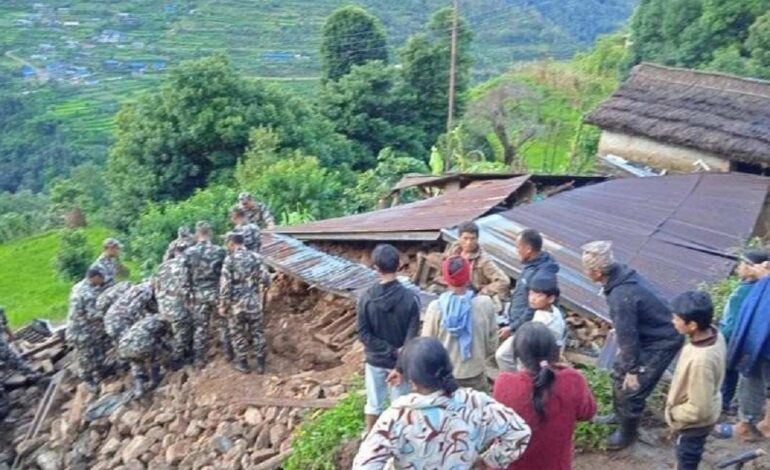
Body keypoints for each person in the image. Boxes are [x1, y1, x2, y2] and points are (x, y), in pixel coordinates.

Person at [353, 337, 531, 469]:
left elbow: (364, 465)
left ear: (412, 380)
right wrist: (487, 461)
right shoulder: (475, 402)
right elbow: (520, 432)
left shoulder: (397, 416)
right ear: (448, 365)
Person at [582, 240, 683, 450]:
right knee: (618, 373)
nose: (585, 272)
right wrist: (627, 363)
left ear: (598, 272)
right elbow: (627, 332)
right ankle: (619, 415)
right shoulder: (621, 276)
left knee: (633, 388)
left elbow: (628, 335)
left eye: (587, 269)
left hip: (661, 339)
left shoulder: (621, 294)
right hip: (647, 334)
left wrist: (634, 369)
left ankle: (627, 433)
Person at [493, 322, 596, 470]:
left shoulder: (504, 383)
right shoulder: (573, 379)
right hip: (554, 464)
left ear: (517, 354)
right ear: (555, 351)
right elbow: (587, 413)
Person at [357, 244, 420, 433]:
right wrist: (398, 359)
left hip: (375, 360)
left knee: (374, 404)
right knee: (402, 407)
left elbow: (363, 333)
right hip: (399, 364)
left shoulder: (366, 298)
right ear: (399, 265)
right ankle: (403, 446)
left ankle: (370, 441)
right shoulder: (410, 299)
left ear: (376, 268)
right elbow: (411, 336)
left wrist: (385, 349)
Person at [667, 291, 726, 470]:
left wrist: (674, 413)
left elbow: (699, 409)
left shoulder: (701, 361)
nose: (673, 321)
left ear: (692, 325)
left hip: (693, 425)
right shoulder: (714, 335)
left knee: (687, 458)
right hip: (704, 412)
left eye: (676, 318)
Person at [422, 256, 498, 392]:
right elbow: (492, 342)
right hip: (475, 372)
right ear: (468, 276)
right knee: (477, 410)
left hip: (445, 376)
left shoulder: (436, 307)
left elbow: (427, 345)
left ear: (445, 278)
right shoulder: (485, 304)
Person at [719, 250, 770, 440]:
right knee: (754, 379)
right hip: (759, 342)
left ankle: (754, 425)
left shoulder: (763, 283)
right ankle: (754, 423)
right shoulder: (756, 284)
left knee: (756, 379)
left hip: (764, 343)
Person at [497, 228, 559, 372]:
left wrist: (513, 327)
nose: (516, 250)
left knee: (506, 356)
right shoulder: (531, 266)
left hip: (528, 326)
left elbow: (533, 308)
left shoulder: (541, 275)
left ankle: (519, 385)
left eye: (518, 247)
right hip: (519, 321)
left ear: (528, 249)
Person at [496, 271, 566, 370]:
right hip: (537, 348)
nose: (532, 298)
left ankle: (515, 380)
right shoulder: (551, 310)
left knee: (503, 355)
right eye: (531, 293)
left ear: (551, 298)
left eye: (539, 295)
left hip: (536, 351)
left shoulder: (546, 321)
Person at [218, 232, 265, 374]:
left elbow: (225, 285)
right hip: (253, 302)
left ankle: (243, 364)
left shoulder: (229, 260)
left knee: (237, 333)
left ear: (232, 243)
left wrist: (223, 305)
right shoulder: (256, 257)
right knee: (257, 332)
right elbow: (266, 278)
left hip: (236, 305)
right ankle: (261, 364)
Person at [184, 221, 228, 368]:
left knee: (200, 327)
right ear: (210, 233)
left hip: (198, 294)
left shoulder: (189, 253)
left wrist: (187, 295)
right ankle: (228, 353)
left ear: (197, 234)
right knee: (223, 323)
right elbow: (225, 274)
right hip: (216, 292)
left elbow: (185, 277)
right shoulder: (220, 251)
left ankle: (199, 359)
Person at [441, 221, 510, 312]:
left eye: (472, 239)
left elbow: (503, 281)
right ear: (459, 238)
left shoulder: (483, 260)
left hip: (471, 296)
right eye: (465, 238)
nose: (469, 242)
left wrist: (483, 292)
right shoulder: (453, 250)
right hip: (453, 291)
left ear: (477, 239)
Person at [67, 268, 108, 392]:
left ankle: (97, 375)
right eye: (101, 279)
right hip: (81, 331)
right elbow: (92, 316)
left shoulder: (78, 286)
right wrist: (107, 313)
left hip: (80, 328)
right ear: (95, 277)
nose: (102, 282)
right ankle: (89, 381)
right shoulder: (88, 294)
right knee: (86, 357)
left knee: (92, 352)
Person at [118, 314, 172, 398]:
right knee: (156, 355)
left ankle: (139, 389)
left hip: (123, 347)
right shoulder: (160, 322)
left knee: (136, 363)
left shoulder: (143, 323)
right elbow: (161, 341)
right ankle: (155, 380)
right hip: (140, 345)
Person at [156, 245, 192, 369]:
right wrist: (189, 302)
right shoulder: (183, 265)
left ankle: (173, 352)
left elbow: (157, 286)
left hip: (163, 304)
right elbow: (184, 286)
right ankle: (176, 359)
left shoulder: (162, 266)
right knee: (183, 331)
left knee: (172, 330)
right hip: (176, 304)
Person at [104, 280, 156, 345]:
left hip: (112, 318)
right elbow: (134, 309)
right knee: (131, 344)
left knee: (123, 345)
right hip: (120, 320)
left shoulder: (140, 287)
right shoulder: (146, 291)